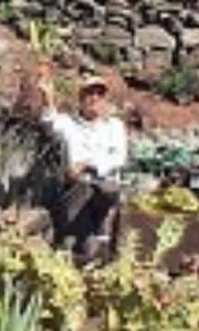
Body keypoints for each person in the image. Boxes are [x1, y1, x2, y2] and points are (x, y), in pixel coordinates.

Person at [35, 73, 130, 262]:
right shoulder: (68, 124)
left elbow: (119, 157)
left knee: (108, 189)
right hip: (77, 190)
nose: (94, 98)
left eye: (99, 94)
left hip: (104, 189)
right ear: (80, 98)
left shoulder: (114, 126)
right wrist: (48, 97)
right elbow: (49, 121)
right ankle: (83, 242)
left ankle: (100, 233)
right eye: (89, 93)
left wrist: (89, 165)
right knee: (86, 248)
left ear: (104, 100)